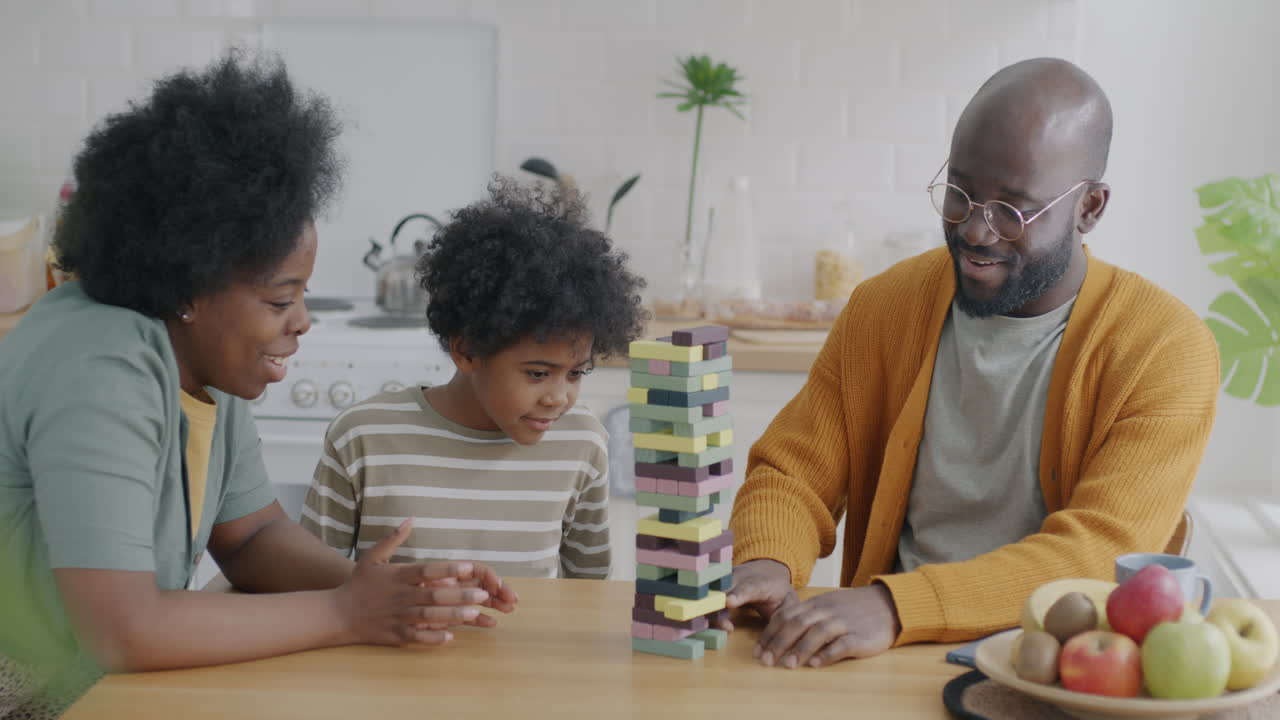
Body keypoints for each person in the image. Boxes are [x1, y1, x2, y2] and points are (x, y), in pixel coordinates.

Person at [0, 54, 515, 718]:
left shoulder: (201, 357)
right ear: (190, 287)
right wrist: (346, 613)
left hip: (91, 683)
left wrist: (384, 586)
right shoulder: (100, 364)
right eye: (280, 302)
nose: (301, 324)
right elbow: (122, 631)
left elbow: (249, 538)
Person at [724, 57, 1220, 669]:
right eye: (959, 194)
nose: (977, 231)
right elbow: (795, 469)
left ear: (1090, 207)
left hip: (1063, 674)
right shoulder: (886, 308)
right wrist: (768, 560)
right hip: (882, 654)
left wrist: (896, 605)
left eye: (1013, 209)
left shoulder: (1165, 347)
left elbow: (1099, 551)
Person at [300, 178, 647, 580]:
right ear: (466, 351)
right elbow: (309, 580)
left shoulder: (581, 442)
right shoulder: (363, 436)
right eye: (537, 373)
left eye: (576, 374)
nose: (558, 397)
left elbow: (590, 592)